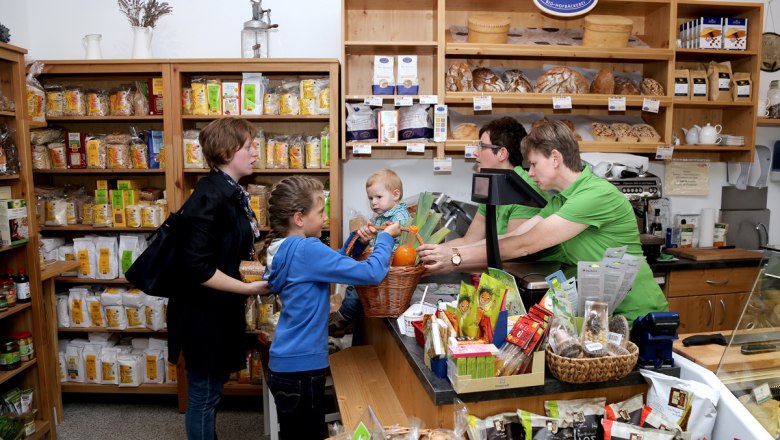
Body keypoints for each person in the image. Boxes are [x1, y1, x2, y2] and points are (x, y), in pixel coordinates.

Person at [418, 120, 668, 323]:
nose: (530, 173)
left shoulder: (595, 195)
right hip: (602, 313)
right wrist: (451, 251)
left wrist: (455, 260)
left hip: (637, 314)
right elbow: (513, 238)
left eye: (534, 164)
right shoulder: (561, 200)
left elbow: (526, 245)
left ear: (556, 158)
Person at [262, 175, 401, 439]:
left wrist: (356, 242)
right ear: (299, 218)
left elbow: (330, 262)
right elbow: (371, 273)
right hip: (302, 368)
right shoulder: (307, 249)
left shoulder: (285, 248)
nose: (325, 217)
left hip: (285, 364)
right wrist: (385, 239)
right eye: (320, 211)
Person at [168, 117, 269, 440]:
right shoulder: (210, 197)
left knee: (210, 389)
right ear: (227, 152)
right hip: (202, 313)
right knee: (203, 393)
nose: (256, 152)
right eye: (249, 146)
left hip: (217, 308)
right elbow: (196, 267)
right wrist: (247, 287)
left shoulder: (229, 191)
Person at [445, 117, 559, 264]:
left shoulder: (524, 189)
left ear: (501, 153)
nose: (475, 153)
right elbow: (469, 240)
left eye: (481, 146)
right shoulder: (493, 184)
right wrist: (426, 254)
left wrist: (452, 258)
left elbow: (511, 253)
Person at [330, 168, 412, 336]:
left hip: (390, 267)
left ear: (395, 195)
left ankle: (344, 319)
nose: (373, 202)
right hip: (378, 263)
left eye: (378, 197)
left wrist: (381, 247)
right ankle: (347, 319)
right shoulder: (380, 216)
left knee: (356, 289)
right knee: (356, 287)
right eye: (370, 198)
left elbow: (404, 246)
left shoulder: (400, 218)